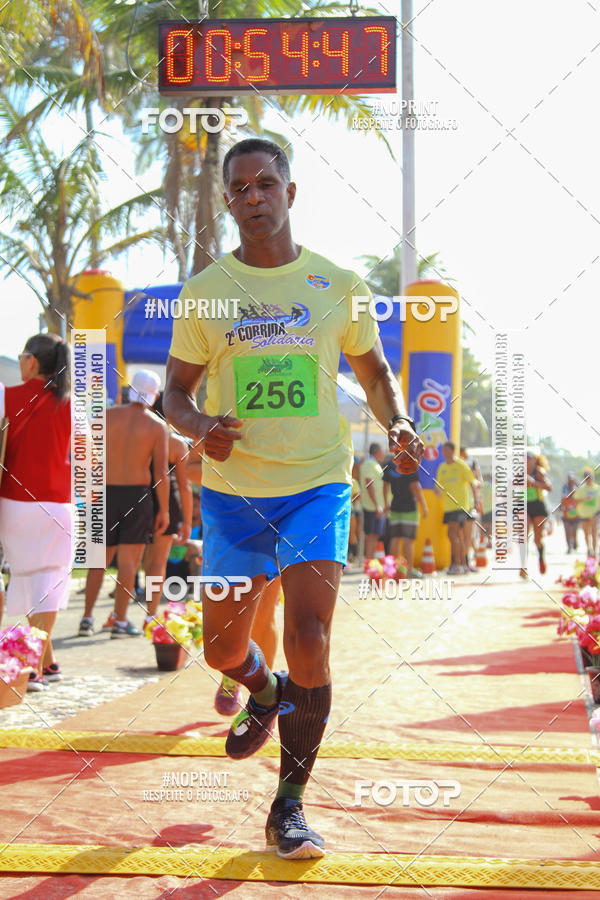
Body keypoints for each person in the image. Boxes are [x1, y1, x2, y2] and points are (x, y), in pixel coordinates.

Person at [163, 138, 423, 859]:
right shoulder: (207, 293)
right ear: (226, 201)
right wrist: (200, 427)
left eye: (266, 183)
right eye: (239, 187)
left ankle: (289, 806)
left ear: (291, 192)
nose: (254, 196)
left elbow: (375, 376)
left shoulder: (336, 285)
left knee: (311, 638)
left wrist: (396, 420)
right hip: (235, 496)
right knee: (220, 648)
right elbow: (173, 394)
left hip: (317, 484)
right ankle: (265, 690)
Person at [0, 334, 71, 690]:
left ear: (31, 362)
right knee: (49, 583)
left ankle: (43, 663)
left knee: (28, 579)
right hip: (60, 504)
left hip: (13, 503)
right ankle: (36, 667)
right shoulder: (73, 404)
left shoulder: (6, 395)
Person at [79, 370, 169, 637]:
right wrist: (164, 509)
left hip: (104, 491)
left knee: (99, 560)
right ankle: (119, 620)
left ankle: (86, 618)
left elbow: (86, 458)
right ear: (154, 395)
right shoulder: (156, 426)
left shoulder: (105, 416)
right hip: (137, 496)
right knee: (130, 562)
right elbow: (161, 474)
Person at [143, 393, 193, 626]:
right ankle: (150, 615)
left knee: (134, 561)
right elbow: (185, 486)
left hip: (138, 499)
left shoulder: (138, 438)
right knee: (158, 562)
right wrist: (188, 521)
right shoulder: (176, 442)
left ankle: (117, 616)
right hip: (168, 503)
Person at [435, 441, 478, 575]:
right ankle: (462, 564)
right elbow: (439, 485)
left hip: (460, 506)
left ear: (453, 451)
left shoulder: (461, 465)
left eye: (447, 450)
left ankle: (456, 563)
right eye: (443, 451)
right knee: (455, 535)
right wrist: (437, 491)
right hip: (447, 507)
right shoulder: (442, 467)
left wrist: (476, 501)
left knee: (453, 534)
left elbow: (472, 483)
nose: (444, 453)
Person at [383, 465, 428, 576]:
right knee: (408, 540)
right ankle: (409, 570)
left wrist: (386, 502)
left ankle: (394, 570)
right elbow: (415, 486)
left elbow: (385, 485)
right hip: (409, 507)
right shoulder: (409, 464)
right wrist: (424, 505)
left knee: (395, 539)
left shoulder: (390, 464)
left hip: (395, 506)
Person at [522, 450, 551, 577]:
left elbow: (549, 487)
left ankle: (541, 559)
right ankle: (523, 566)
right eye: (525, 458)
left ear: (534, 460)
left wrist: (533, 482)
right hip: (524, 506)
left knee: (537, 539)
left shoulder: (539, 472)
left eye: (529, 458)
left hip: (538, 506)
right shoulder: (519, 472)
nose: (527, 460)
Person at [359, 443, 386, 559]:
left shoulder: (374, 464)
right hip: (372, 506)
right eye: (382, 450)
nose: (384, 453)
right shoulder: (370, 464)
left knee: (374, 535)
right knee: (372, 535)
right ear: (377, 451)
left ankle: (370, 562)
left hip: (375, 505)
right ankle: (369, 563)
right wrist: (377, 505)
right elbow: (368, 483)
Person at [574, 467, 599, 558]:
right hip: (584, 514)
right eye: (587, 478)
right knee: (586, 533)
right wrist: (585, 499)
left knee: (594, 532)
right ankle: (589, 549)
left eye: (591, 477)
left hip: (594, 513)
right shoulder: (581, 489)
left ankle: (595, 551)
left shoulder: (597, 488)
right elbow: (575, 501)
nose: (590, 479)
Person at [561, 473, 579, 553]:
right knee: (567, 532)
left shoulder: (577, 487)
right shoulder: (565, 487)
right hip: (566, 515)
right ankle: (569, 547)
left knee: (574, 532)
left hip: (576, 515)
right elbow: (562, 498)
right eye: (569, 479)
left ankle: (575, 542)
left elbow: (580, 498)